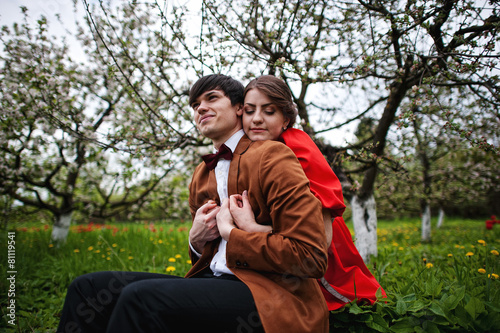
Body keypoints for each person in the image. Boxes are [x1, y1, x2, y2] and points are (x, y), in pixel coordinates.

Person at [56, 74, 329, 333]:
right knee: (87, 288)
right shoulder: (201, 174)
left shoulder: (272, 156)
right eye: (195, 104)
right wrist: (195, 242)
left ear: (238, 108)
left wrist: (235, 234)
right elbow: (214, 255)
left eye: (211, 98)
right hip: (215, 282)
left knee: (141, 298)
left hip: (272, 294)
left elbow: (310, 257)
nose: (201, 108)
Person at [234, 75, 384, 311]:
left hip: (322, 254)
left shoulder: (296, 146)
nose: (257, 119)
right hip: (281, 250)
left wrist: (252, 229)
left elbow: (321, 239)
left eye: (269, 111)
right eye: (249, 111)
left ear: (286, 119)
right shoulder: (250, 150)